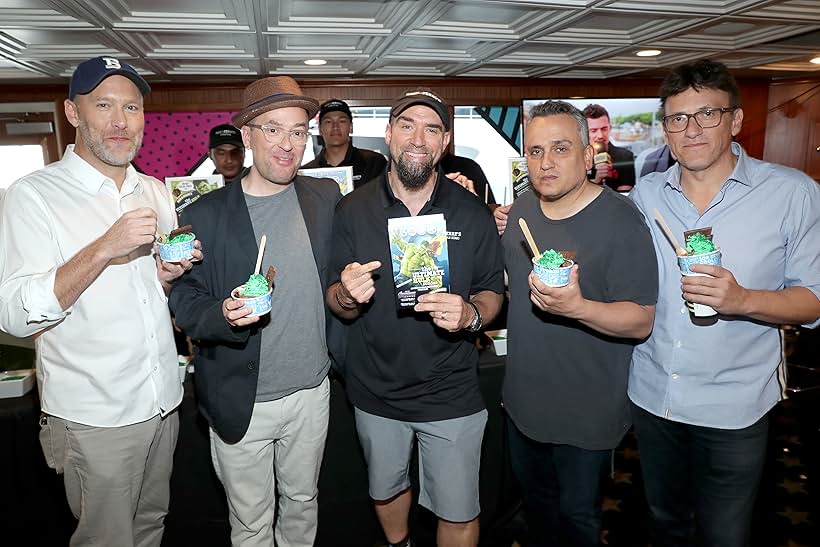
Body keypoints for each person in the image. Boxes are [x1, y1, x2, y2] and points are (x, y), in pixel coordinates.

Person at [0, 56, 201, 547]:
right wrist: (103, 247)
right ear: (73, 113)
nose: (119, 121)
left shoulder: (153, 190)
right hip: (96, 414)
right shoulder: (32, 196)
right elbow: (15, 314)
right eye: (104, 105)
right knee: (106, 539)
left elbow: (151, 293)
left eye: (131, 108)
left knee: (152, 525)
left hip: (162, 401)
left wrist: (168, 276)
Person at [627, 59, 820, 547]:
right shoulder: (645, 196)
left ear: (735, 120)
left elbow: (814, 302)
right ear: (665, 130)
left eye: (707, 114)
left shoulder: (792, 193)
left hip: (735, 404)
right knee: (664, 522)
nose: (691, 130)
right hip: (653, 396)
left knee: (725, 534)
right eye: (677, 119)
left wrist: (742, 299)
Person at [326, 88, 505, 547]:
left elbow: (492, 292)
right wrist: (347, 294)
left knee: (460, 508)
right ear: (388, 134)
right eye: (407, 125)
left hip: (451, 390)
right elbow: (334, 299)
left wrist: (470, 315)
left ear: (445, 141)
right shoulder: (351, 209)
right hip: (375, 389)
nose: (418, 138)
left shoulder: (472, 212)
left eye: (431, 128)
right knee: (386, 490)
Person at [169, 76, 341, 547]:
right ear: (246, 135)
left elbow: (371, 228)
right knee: (250, 522)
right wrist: (223, 314)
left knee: (303, 505)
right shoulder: (204, 214)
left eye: (299, 131)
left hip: (311, 393)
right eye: (273, 130)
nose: (288, 145)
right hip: (239, 396)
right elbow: (184, 301)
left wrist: (446, 187)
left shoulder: (325, 198)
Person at [501, 100, 658, 547]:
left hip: (586, 411)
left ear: (589, 155)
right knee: (537, 510)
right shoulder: (522, 210)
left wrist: (578, 308)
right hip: (523, 402)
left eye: (560, 148)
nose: (545, 163)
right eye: (534, 151)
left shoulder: (621, 221)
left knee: (578, 520)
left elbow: (641, 320)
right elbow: (513, 286)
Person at [301, 98, 387, 188]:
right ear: (320, 129)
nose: (335, 127)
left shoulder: (374, 163)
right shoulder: (306, 172)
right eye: (328, 121)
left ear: (351, 127)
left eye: (342, 121)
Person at [582, 104, 636, 192]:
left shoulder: (625, 156)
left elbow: (625, 196)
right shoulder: (577, 159)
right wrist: (596, 181)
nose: (600, 136)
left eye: (604, 129)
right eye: (593, 131)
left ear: (610, 128)